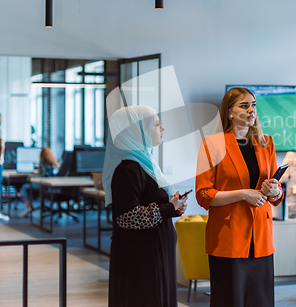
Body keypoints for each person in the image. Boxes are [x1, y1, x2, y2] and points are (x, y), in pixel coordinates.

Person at [196, 87, 284, 307]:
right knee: (230, 300)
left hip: (261, 237)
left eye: (253, 105)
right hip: (229, 237)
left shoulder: (267, 143)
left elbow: (276, 192)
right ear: (230, 112)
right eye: (244, 105)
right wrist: (244, 194)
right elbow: (204, 194)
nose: (251, 110)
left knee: (261, 301)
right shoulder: (212, 144)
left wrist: (276, 191)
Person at [102, 105, 187, 307]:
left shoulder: (146, 162)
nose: (162, 128)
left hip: (155, 253)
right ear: (137, 131)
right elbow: (127, 217)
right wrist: (168, 208)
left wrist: (174, 207)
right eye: (157, 124)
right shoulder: (127, 169)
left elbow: (153, 204)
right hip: (140, 259)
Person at [18, 147, 59, 218]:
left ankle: (28, 208)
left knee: (25, 187)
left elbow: (43, 175)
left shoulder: (43, 162)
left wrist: (34, 175)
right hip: (53, 187)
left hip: (44, 186)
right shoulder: (54, 163)